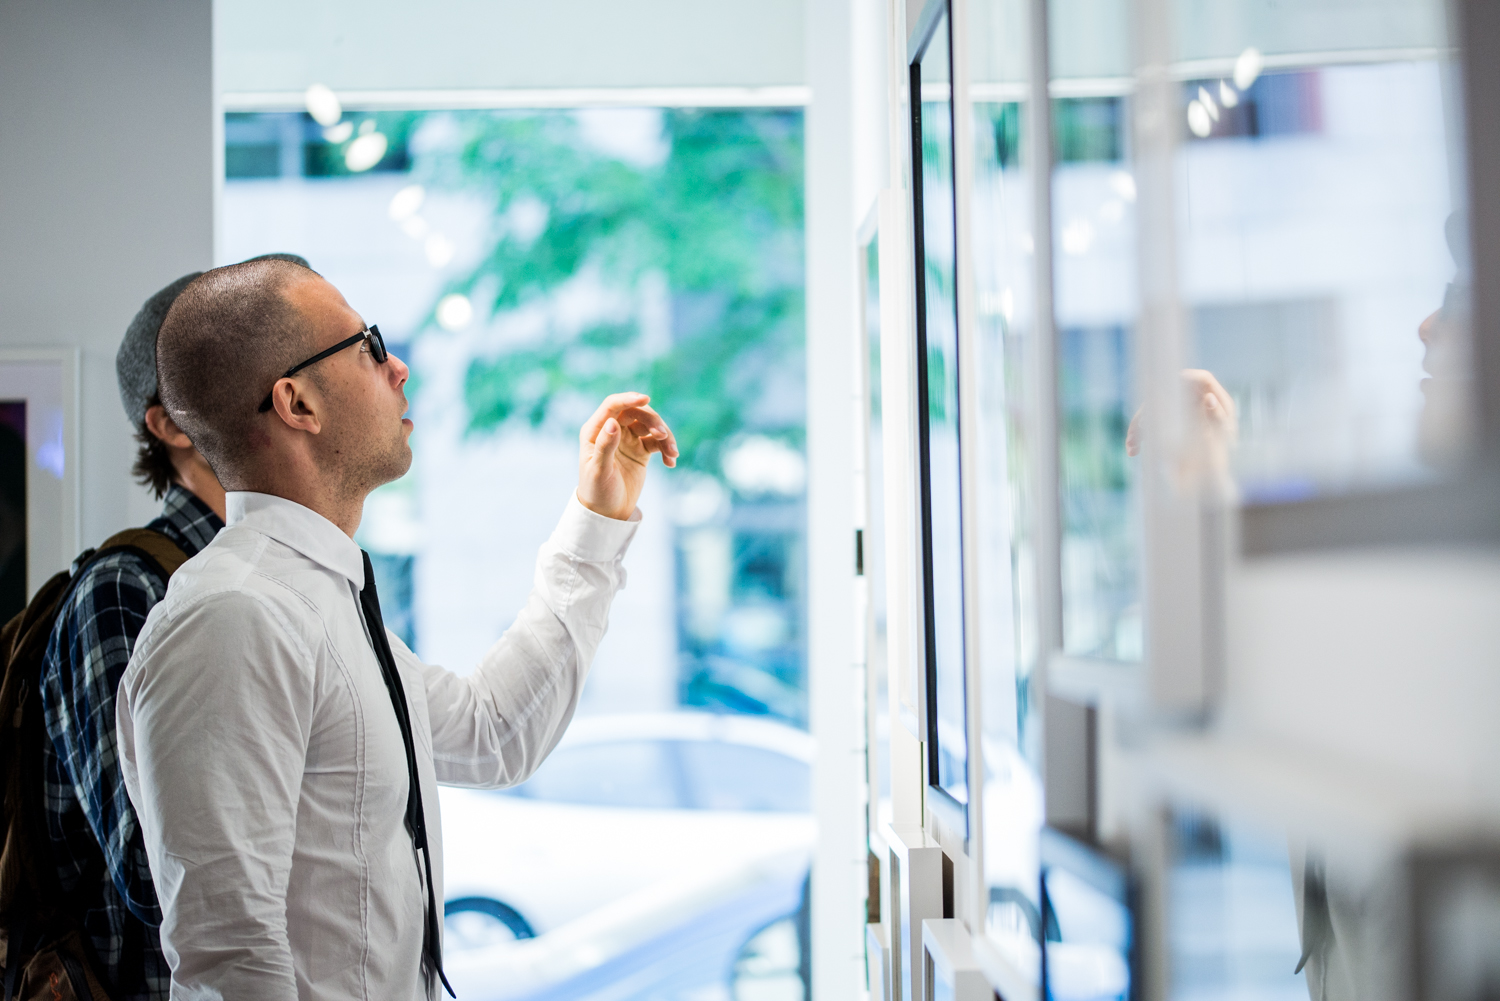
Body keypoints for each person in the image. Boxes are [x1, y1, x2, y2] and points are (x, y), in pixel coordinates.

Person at [116, 257, 678, 999]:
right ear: (296, 402)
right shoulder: (233, 616)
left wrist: (598, 517)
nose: (399, 367)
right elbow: (231, 958)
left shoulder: (317, 595)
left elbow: (493, 732)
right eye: (369, 347)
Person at [39, 253, 309, 1000]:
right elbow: (157, 869)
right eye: (247, 362)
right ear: (168, 423)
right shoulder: (124, 591)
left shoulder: (301, 580)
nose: (294, 384)